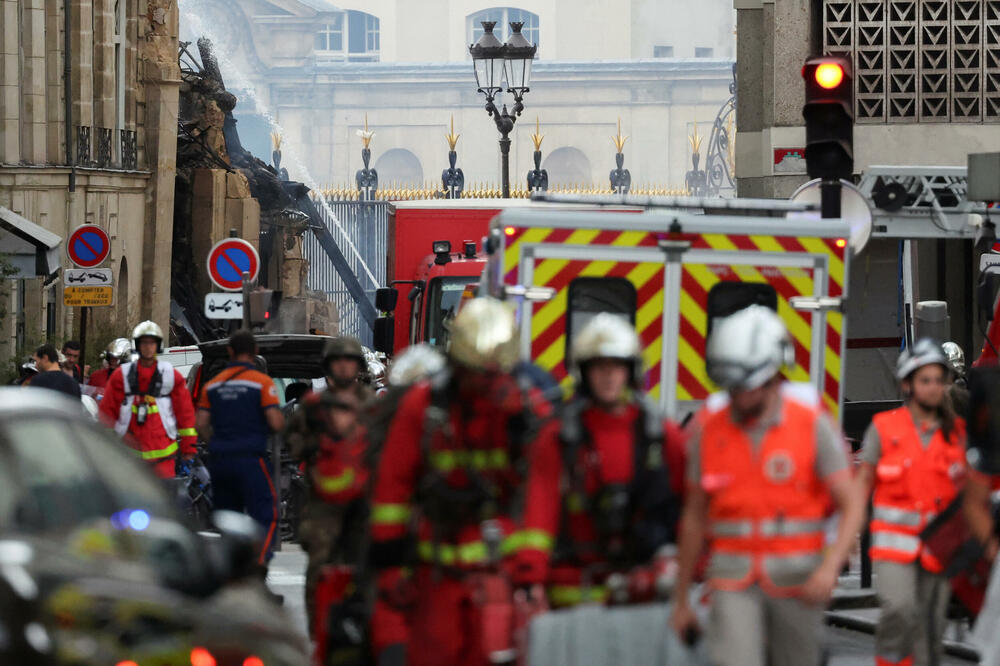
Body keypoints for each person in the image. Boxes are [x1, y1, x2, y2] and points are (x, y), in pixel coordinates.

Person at [369, 298, 559, 666]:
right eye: (474, 373)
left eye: (493, 376)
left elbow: (543, 491)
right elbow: (393, 486)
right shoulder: (425, 407)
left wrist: (532, 566)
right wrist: (390, 562)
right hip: (435, 575)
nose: (483, 385)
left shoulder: (529, 413)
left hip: (505, 577)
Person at [670, 305, 863, 666]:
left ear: (773, 374)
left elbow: (851, 503)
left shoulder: (810, 424)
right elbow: (694, 517)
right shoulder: (709, 428)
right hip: (731, 580)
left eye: (745, 385)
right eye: (730, 385)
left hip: (799, 580)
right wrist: (681, 599)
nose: (737, 396)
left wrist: (830, 566)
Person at [518, 314, 686, 608]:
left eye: (617, 366)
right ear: (584, 372)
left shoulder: (660, 435)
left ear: (630, 371)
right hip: (574, 587)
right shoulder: (559, 436)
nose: (609, 376)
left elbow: (688, 505)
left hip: (644, 587)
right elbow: (539, 508)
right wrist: (531, 575)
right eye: (599, 367)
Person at [856, 338, 967, 666]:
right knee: (900, 610)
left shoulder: (956, 433)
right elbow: (859, 492)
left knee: (931, 633)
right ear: (908, 385)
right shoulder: (885, 430)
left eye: (939, 380)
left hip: (940, 551)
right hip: (895, 553)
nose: (934, 389)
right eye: (925, 381)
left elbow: (971, 494)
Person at [285, 335, 370, 635]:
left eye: (349, 361)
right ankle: (319, 629)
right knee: (320, 568)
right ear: (329, 367)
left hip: (363, 502)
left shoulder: (371, 405)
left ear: (357, 366)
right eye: (338, 362)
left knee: (367, 567)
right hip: (324, 502)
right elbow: (292, 441)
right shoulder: (313, 407)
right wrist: (314, 445)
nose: (344, 368)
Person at [196, 330, 285, 568]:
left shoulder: (213, 385)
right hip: (250, 459)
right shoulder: (262, 383)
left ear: (230, 352)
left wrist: (216, 442)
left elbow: (201, 424)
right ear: (255, 353)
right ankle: (258, 564)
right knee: (266, 514)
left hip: (220, 460)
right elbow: (276, 422)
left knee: (227, 518)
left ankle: (231, 571)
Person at [98, 321, 198, 479]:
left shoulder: (171, 376)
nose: (148, 347)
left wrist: (188, 447)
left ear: (158, 345)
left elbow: (185, 414)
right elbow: (107, 415)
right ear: (137, 345)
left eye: (152, 342)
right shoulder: (121, 377)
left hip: (164, 459)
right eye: (144, 342)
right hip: (128, 460)